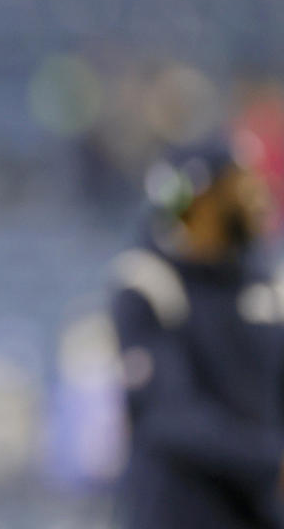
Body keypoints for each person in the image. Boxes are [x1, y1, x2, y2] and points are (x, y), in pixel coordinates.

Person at [109, 140, 284, 528]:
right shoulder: (149, 284)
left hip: (258, 512)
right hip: (180, 512)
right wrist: (271, 461)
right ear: (202, 199)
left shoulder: (266, 285)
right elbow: (171, 416)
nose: (260, 195)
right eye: (243, 183)